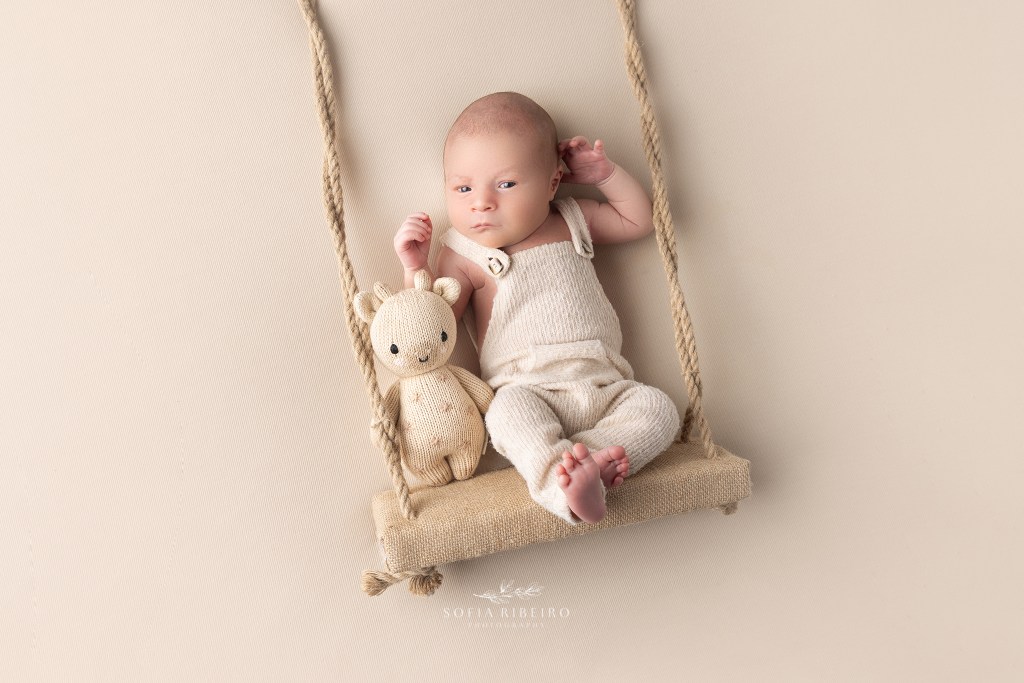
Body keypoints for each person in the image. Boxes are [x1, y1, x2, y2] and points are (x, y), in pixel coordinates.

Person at [393, 92, 679, 524]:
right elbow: (432, 329)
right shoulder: (463, 253)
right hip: (526, 390)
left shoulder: (572, 219)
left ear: (552, 183)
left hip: (606, 385)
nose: (481, 202)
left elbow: (638, 220)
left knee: (658, 408)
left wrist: (605, 175)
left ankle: (588, 463)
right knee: (505, 417)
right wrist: (414, 266)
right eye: (463, 188)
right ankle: (563, 488)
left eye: (506, 184)